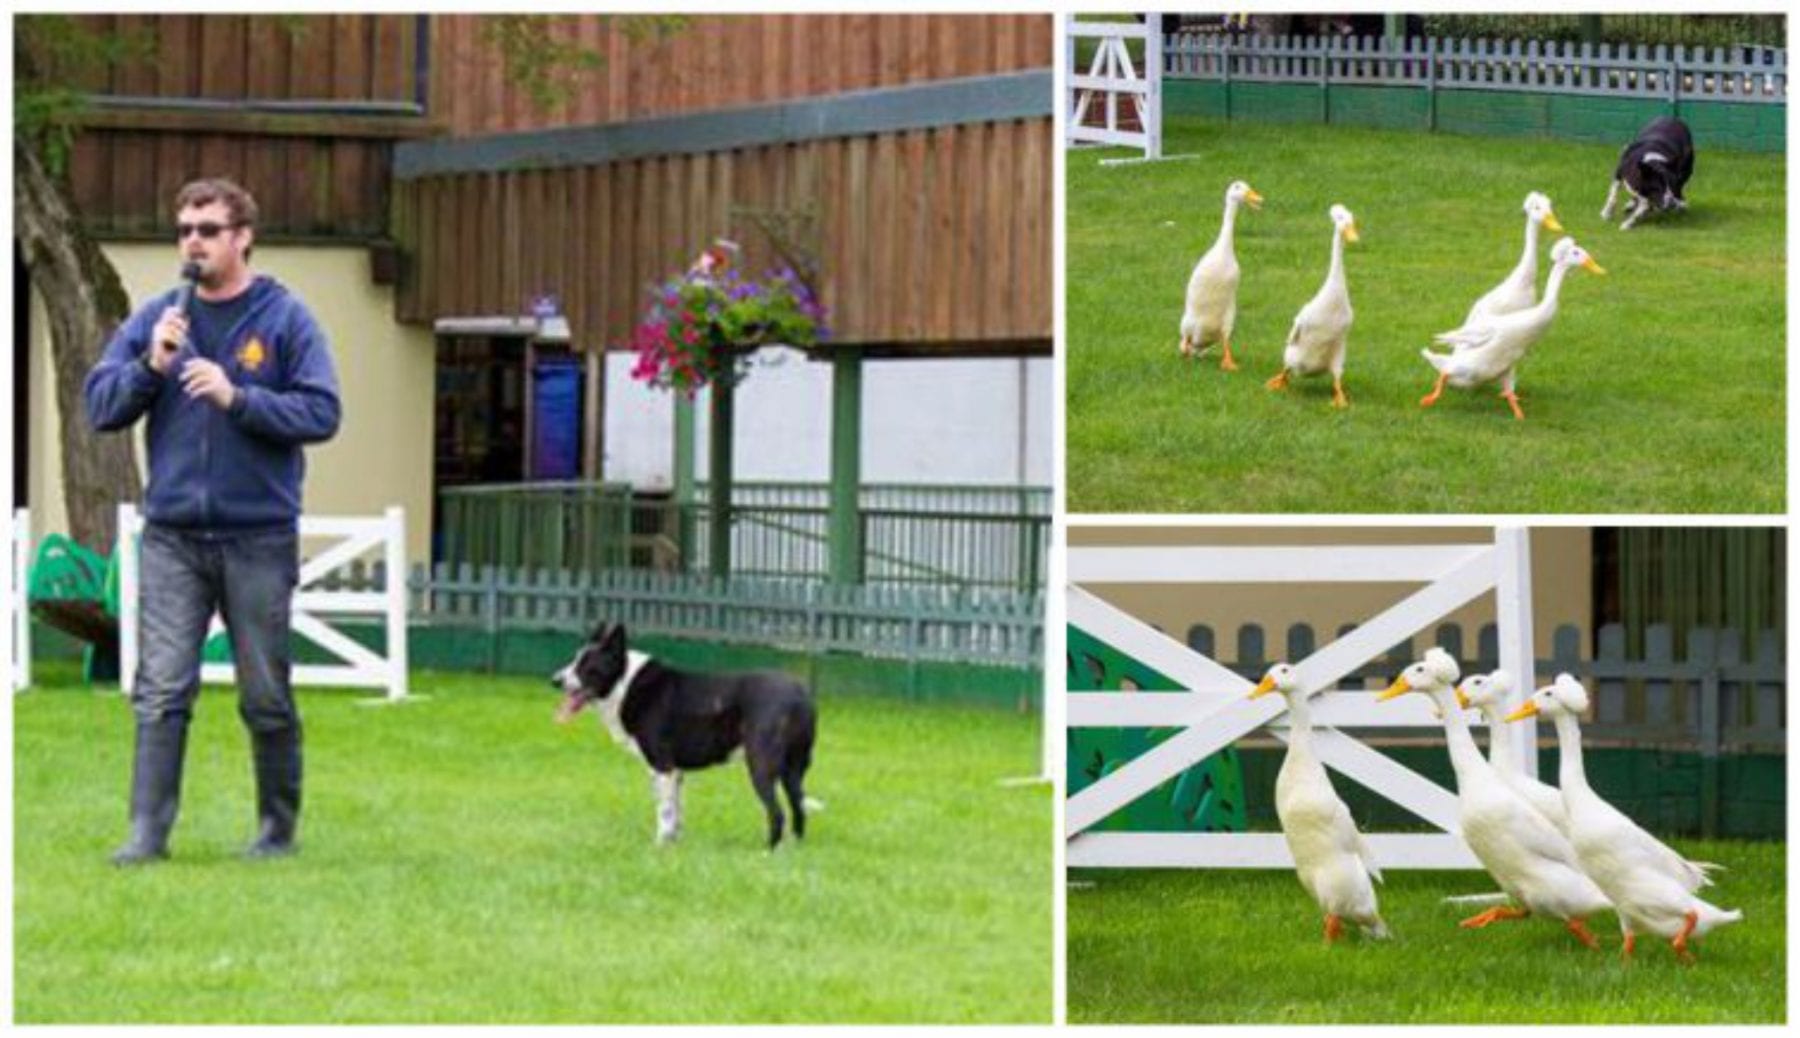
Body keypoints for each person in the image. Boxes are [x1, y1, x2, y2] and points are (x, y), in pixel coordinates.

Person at [84, 177, 341, 865]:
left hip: (257, 536)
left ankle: (275, 830)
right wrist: (150, 365)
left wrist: (239, 398)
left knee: (264, 690)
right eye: (184, 230)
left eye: (207, 229)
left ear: (243, 237)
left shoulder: (285, 320)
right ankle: (146, 835)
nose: (192, 241)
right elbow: (100, 405)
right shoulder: (159, 318)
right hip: (172, 538)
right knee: (161, 688)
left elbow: (322, 412)